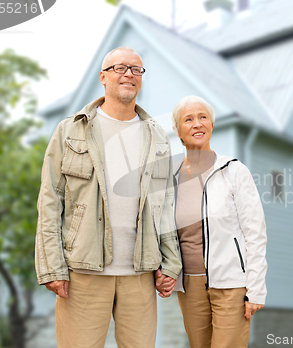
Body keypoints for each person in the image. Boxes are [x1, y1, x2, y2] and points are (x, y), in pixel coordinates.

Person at [35, 46, 181, 348]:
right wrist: (52, 267)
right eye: (120, 68)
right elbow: (50, 202)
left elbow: (164, 205)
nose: (129, 74)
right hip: (83, 273)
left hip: (140, 274)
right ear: (103, 77)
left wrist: (171, 263)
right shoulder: (70, 131)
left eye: (136, 69)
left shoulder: (158, 136)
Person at [156, 95, 268, 348]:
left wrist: (256, 289)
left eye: (203, 117)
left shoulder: (234, 170)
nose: (197, 123)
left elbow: (255, 233)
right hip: (190, 285)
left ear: (212, 125)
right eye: (189, 119)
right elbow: (163, 233)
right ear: (177, 130)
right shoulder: (170, 178)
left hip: (231, 284)